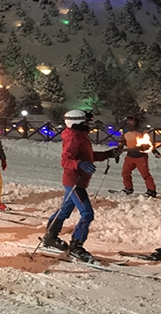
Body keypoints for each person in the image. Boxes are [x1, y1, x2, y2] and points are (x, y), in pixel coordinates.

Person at [42, 110, 123, 262]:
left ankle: (50, 237)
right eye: (85, 122)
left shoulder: (79, 136)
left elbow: (88, 156)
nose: (88, 125)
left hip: (77, 181)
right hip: (75, 182)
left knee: (64, 210)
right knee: (87, 213)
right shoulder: (73, 138)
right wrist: (80, 164)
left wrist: (108, 154)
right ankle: (76, 246)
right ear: (76, 123)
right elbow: (65, 161)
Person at [121, 115, 157, 197]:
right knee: (125, 172)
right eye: (128, 120)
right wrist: (118, 150)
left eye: (131, 120)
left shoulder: (141, 131)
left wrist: (154, 151)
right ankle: (128, 188)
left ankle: (151, 190)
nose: (129, 122)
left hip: (141, 156)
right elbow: (122, 141)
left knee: (145, 174)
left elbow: (149, 143)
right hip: (130, 155)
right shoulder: (125, 131)